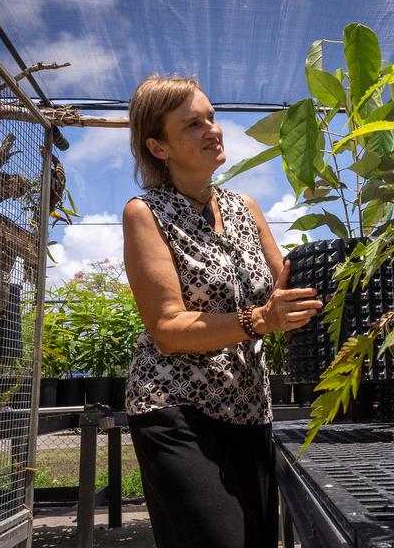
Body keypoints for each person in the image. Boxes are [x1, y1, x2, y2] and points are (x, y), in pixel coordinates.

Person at [122, 75, 323, 548]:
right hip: (176, 408)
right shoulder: (146, 213)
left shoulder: (245, 208)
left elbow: (284, 288)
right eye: (193, 124)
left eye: (211, 117)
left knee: (257, 539)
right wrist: (258, 321)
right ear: (158, 146)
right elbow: (168, 328)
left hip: (249, 407)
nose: (213, 129)